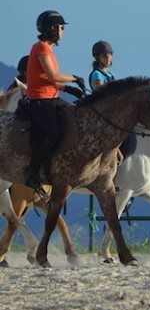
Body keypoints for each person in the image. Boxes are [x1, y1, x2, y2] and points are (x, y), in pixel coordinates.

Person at [22, 10, 86, 190]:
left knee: (75, 120)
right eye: (60, 27)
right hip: (40, 101)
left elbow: (47, 79)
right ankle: (32, 171)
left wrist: (68, 89)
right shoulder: (41, 47)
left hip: (52, 97)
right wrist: (73, 78)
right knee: (53, 134)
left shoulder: (48, 49)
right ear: (51, 29)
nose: (62, 31)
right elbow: (53, 75)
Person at [89, 39, 137, 158]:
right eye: (105, 55)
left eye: (110, 55)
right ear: (98, 57)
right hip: (103, 111)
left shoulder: (110, 75)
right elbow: (103, 91)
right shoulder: (97, 75)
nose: (108, 58)